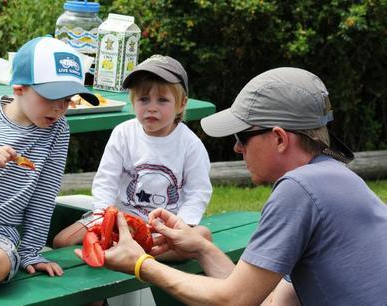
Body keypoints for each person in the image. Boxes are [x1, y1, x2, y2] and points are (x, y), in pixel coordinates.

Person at [78, 67, 387, 305]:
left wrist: (141, 264)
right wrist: (202, 249)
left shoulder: (298, 189)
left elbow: (233, 300)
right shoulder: (337, 180)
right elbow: (257, 300)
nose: (237, 149)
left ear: (279, 139)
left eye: (242, 137)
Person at [0, 36, 99, 284]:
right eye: (51, 97)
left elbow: (45, 194)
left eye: (68, 100)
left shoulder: (58, 130)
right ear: (19, 88)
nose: (59, 108)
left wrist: (31, 252)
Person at [53, 55, 213, 261]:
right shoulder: (123, 133)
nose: (151, 107)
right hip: (119, 221)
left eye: (162, 100)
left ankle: (130, 255)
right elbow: (106, 180)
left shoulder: (190, 144)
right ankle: (125, 250)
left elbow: (198, 192)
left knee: (203, 238)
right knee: (62, 241)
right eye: (143, 99)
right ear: (132, 102)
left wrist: (181, 225)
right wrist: (104, 216)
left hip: (163, 228)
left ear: (181, 104)